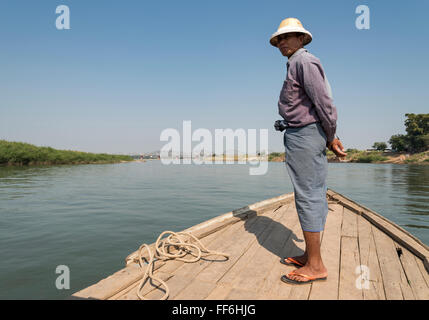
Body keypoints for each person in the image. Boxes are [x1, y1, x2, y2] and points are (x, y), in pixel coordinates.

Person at [270, 18, 347, 284]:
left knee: (308, 196)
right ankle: (309, 255)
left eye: (287, 37)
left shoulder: (304, 62)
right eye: (279, 39)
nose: (282, 43)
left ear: (301, 39)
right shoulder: (294, 63)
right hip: (301, 133)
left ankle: (316, 265)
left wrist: (331, 136)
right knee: (310, 193)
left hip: (305, 134)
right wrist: (328, 137)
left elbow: (324, 103)